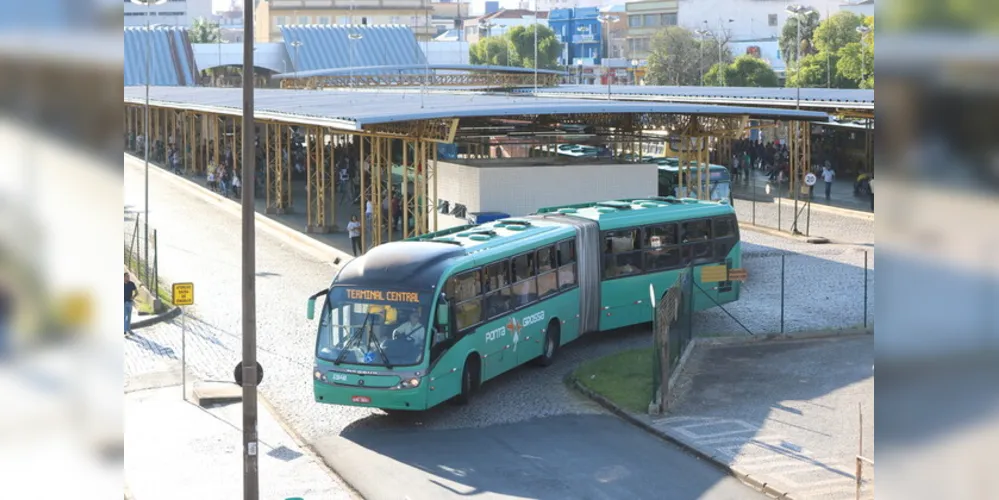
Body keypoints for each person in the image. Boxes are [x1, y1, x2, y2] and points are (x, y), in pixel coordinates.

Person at [124, 272, 138, 337]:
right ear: (124, 277)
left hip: (130, 302)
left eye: (129, 277)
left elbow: (136, 292)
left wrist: (133, 296)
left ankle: (128, 330)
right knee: (125, 317)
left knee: (129, 317)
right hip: (123, 303)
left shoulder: (131, 284)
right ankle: (125, 331)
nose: (128, 278)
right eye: (127, 277)